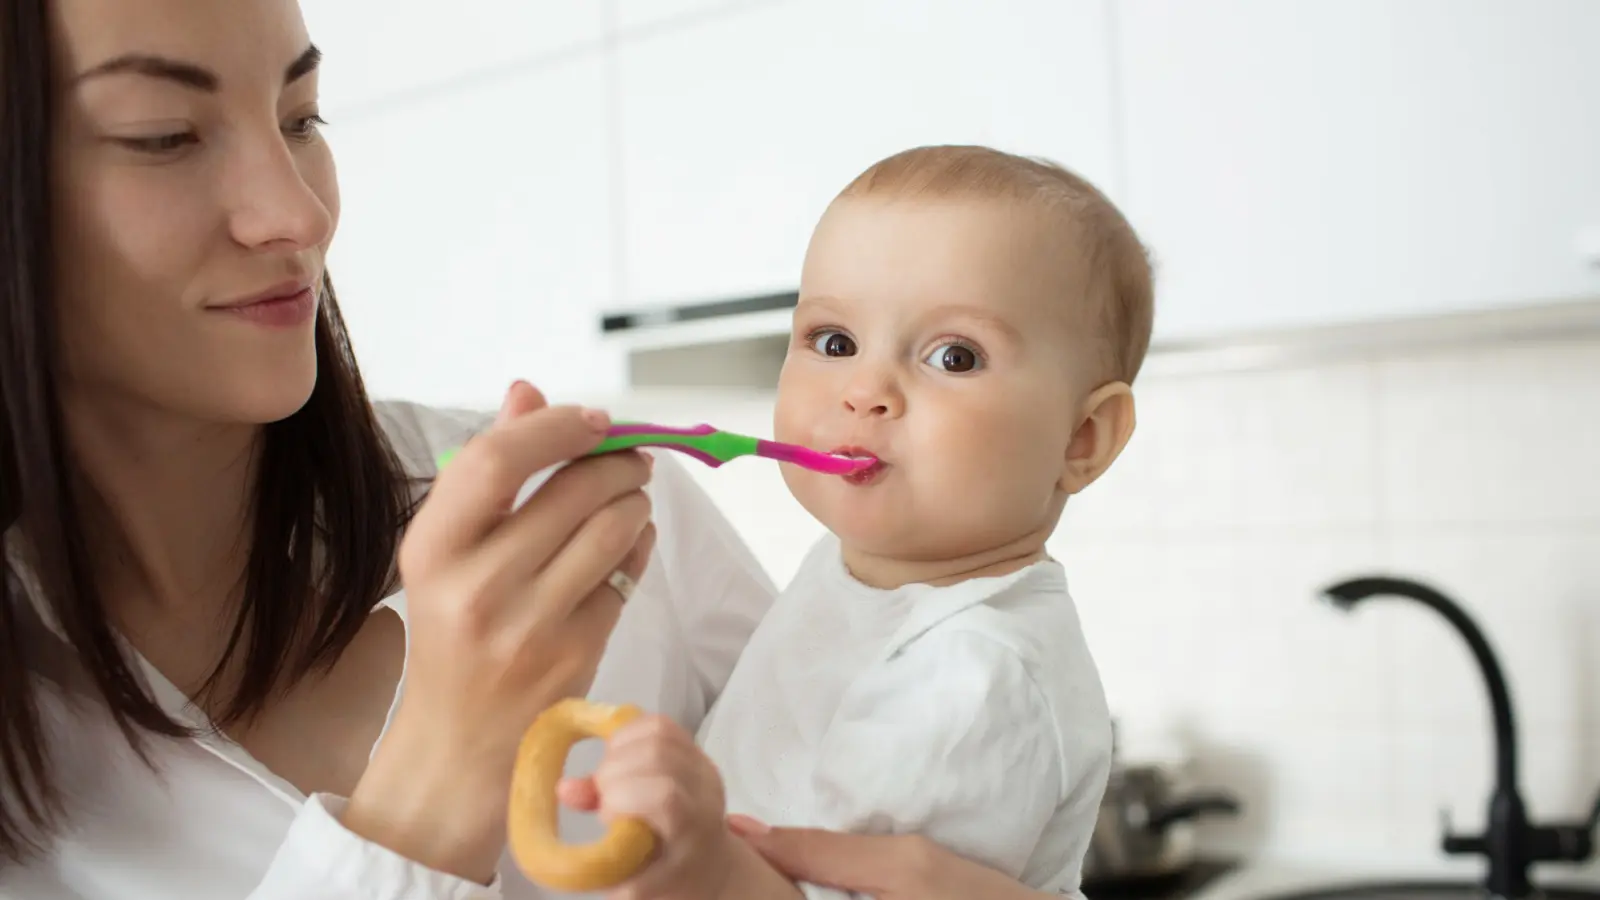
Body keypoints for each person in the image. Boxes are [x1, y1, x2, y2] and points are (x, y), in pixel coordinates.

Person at [0, 0, 1068, 898]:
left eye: (301, 116)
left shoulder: (600, 512)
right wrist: (443, 765)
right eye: (164, 134)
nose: (297, 213)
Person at [555, 145, 1153, 899]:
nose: (865, 389)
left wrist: (697, 859)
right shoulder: (855, 573)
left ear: (1082, 439)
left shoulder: (977, 672)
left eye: (954, 356)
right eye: (834, 343)